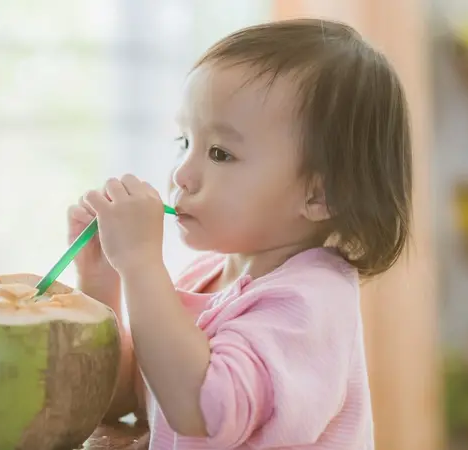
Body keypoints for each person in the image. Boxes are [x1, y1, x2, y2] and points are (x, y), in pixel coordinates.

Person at [68, 18, 411, 450]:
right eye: (184, 142)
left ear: (320, 195)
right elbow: (126, 397)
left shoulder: (308, 307)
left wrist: (139, 265)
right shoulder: (203, 277)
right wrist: (102, 282)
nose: (182, 174)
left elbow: (203, 413)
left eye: (219, 153)